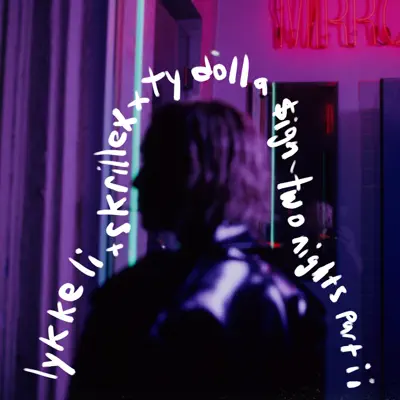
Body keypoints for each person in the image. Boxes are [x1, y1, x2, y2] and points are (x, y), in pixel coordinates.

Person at [68, 101, 326, 400]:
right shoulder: (291, 301)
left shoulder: (141, 296)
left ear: (192, 173)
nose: (137, 182)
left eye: (153, 163)